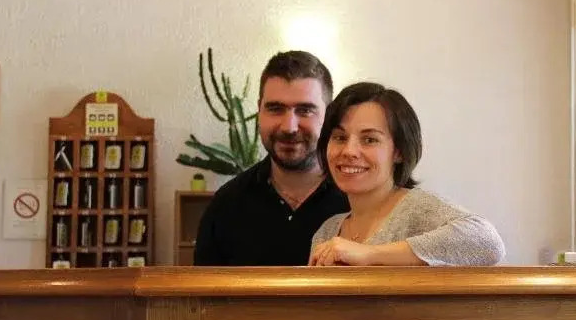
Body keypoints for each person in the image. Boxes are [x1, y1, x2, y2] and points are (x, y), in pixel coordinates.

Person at [308, 82, 505, 266]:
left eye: (369, 140)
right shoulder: (327, 231)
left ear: (399, 152)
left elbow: (488, 242)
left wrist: (369, 254)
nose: (349, 151)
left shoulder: (416, 210)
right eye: (340, 137)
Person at [194, 51, 349, 266]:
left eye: (305, 110)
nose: (289, 127)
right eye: (275, 109)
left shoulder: (358, 199)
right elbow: (202, 287)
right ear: (259, 110)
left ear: (329, 115)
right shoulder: (225, 206)